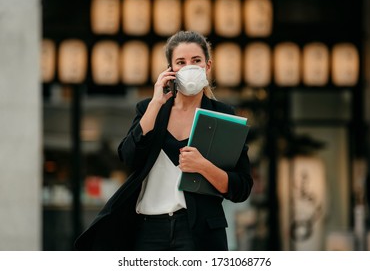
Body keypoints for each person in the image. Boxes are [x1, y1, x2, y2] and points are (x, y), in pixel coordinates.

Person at [74, 30, 253, 251]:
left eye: (196, 60)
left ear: (208, 65)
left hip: (198, 232)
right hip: (148, 229)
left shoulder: (223, 116)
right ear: (170, 70)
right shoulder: (150, 109)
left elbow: (242, 187)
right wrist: (156, 103)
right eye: (180, 62)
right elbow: (128, 157)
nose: (189, 67)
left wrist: (203, 167)